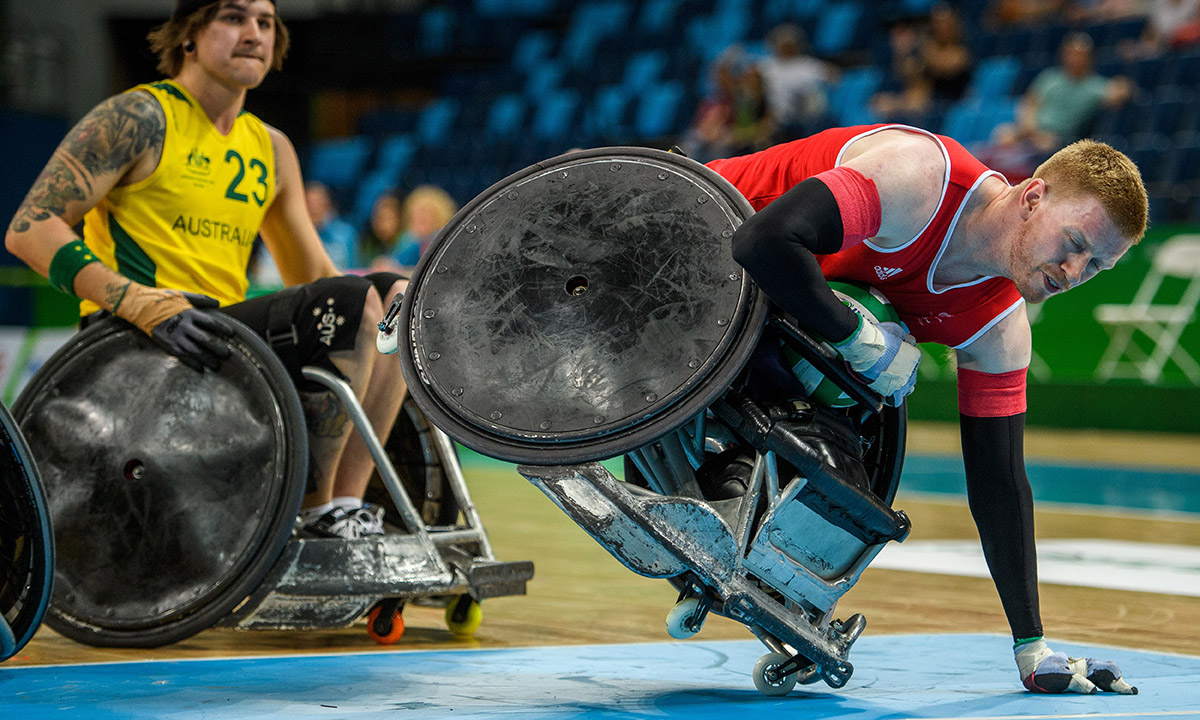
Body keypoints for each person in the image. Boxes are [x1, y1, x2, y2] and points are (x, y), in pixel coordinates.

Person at [708, 122, 1145, 694]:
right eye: (1075, 245)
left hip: (759, 327)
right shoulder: (920, 179)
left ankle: (717, 500)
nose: (1072, 273)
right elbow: (760, 243)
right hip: (691, 223)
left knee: (849, 480)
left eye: (1094, 268)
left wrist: (1030, 645)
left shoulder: (999, 329)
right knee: (858, 357)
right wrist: (852, 337)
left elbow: (999, 482)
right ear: (1033, 197)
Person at [4, 0, 408, 540]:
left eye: (265, 23)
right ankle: (309, 515)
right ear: (189, 35)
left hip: (223, 335)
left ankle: (342, 506)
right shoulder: (139, 117)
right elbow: (30, 226)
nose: (254, 34)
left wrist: (395, 302)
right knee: (357, 305)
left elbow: (313, 272)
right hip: (131, 339)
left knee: (395, 303)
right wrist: (138, 300)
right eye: (234, 18)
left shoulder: (269, 147)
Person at [757, 23, 838, 142]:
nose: (785, 48)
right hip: (771, 117)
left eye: (788, 44)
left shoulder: (806, 65)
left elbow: (834, 75)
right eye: (781, 44)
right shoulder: (767, 66)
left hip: (802, 118)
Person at [373, 184, 457, 271]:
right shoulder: (408, 240)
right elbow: (397, 261)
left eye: (426, 212)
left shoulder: (443, 241)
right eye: (416, 213)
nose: (420, 217)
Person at [305, 180, 360, 270]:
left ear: (327, 204)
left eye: (318, 202)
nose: (313, 208)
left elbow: (354, 270)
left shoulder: (346, 234)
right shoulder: (296, 235)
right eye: (309, 203)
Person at [359, 191, 404, 264]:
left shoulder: (407, 244)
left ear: (400, 219)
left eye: (389, 218)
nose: (384, 225)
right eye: (380, 218)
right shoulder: (369, 245)